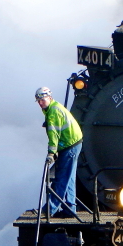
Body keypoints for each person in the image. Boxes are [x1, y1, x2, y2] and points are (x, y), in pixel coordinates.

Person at [36, 87, 83, 217]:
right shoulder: (54, 107)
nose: (40, 103)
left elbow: (54, 135)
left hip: (69, 145)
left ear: (49, 98)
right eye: (38, 101)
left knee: (61, 178)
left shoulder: (53, 113)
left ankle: (50, 210)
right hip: (72, 144)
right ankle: (70, 208)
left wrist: (51, 153)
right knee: (70, 178)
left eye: (42, 100)